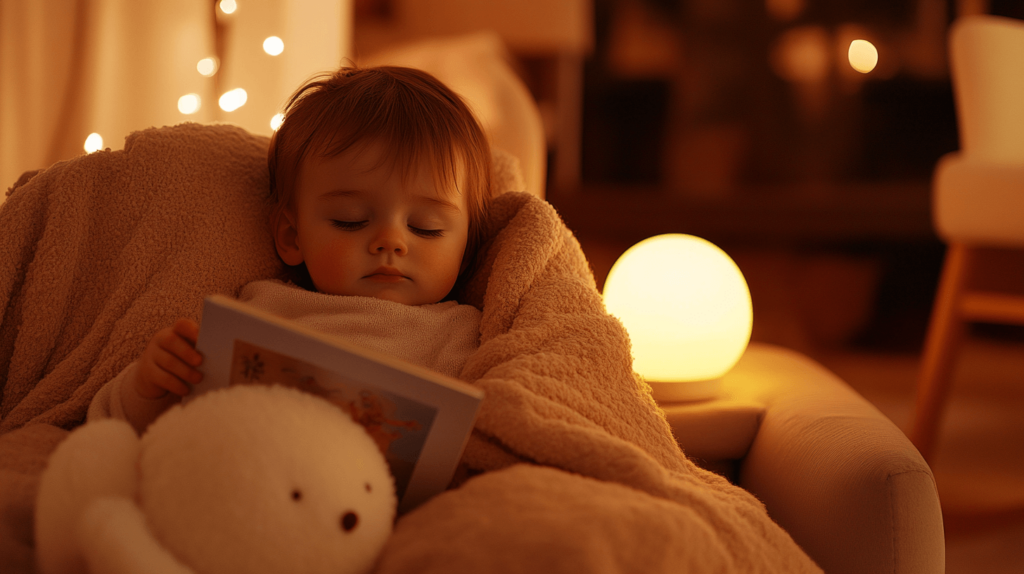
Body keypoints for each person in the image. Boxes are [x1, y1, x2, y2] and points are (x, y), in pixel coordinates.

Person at [88, 66, 495, 432]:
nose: (391, 240)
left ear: (467, 246)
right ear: (291, 237)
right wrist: (149, 385)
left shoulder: (458, 336)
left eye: (427, 227)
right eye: (350, 219)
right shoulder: (260, 312)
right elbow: (114, 425)